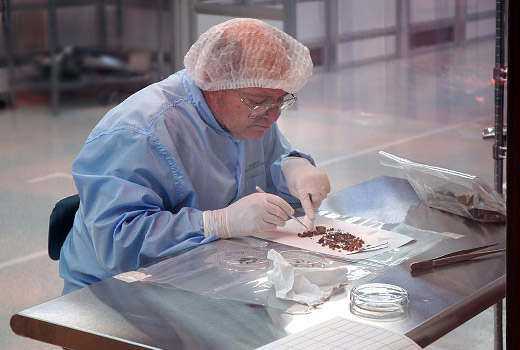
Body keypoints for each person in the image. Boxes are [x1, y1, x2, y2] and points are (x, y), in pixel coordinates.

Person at [59, 18, 331, 294]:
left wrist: (293, 166)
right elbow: (118, 243)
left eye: (281, 100)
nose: (273, 115)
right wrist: (215, 223)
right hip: (116, 289)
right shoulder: (141, 132)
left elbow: (270, 172)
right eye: (259, 101)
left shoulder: (252, 117)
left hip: (204, 271)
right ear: (213, 80)